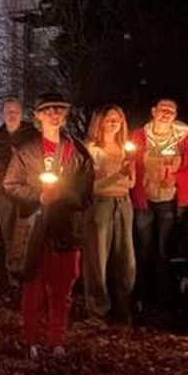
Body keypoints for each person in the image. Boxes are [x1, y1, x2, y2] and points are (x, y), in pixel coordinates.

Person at [4, 92, 94, 359]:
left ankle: (57, 339)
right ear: (38, 116)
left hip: (66, 227)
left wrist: (66, 197)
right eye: (48, 110)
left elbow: (86, 191)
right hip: (35, 228)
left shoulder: (76, 151)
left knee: (62, 289)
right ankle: (31, 338)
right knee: (33, 287)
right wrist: (37, 197)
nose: (54, 115)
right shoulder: (26, 150)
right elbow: (10, 185)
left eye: (59, 110)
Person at [129, 98, 188, 314]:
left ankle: (165, 300)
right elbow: (130, 164)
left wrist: (178, 177)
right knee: (143, 249)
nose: (166, 114)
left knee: (166, 251)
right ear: (153, 111)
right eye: (162, 109)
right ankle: (140, 297)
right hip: (144, 200)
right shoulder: (139, 136)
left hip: (171, 202)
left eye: (171, 111)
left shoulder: (185, 138)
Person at [83, 106, 136, 324]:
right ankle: (97, 309)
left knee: (126, 258)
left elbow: (130, 183)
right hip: (100, 205)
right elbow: (90, 187)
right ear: (100, 122)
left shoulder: (126, 149)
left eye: (118, 119)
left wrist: (128, 175)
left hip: (123, 203)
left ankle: (124, 306)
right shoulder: (91, 149)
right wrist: (117, 177)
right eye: (109, 119)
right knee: (98, 258)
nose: (114, 123)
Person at [0, 99, 36, 283]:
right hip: (3, 194)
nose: (12, 115)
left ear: (21, 113)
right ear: (2, 114)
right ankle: (12, 275)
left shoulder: (32, 135)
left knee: (27, 233)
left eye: (15, 111)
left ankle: (29, 273)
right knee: (9, 234)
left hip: (27, 191)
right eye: (8, 111)